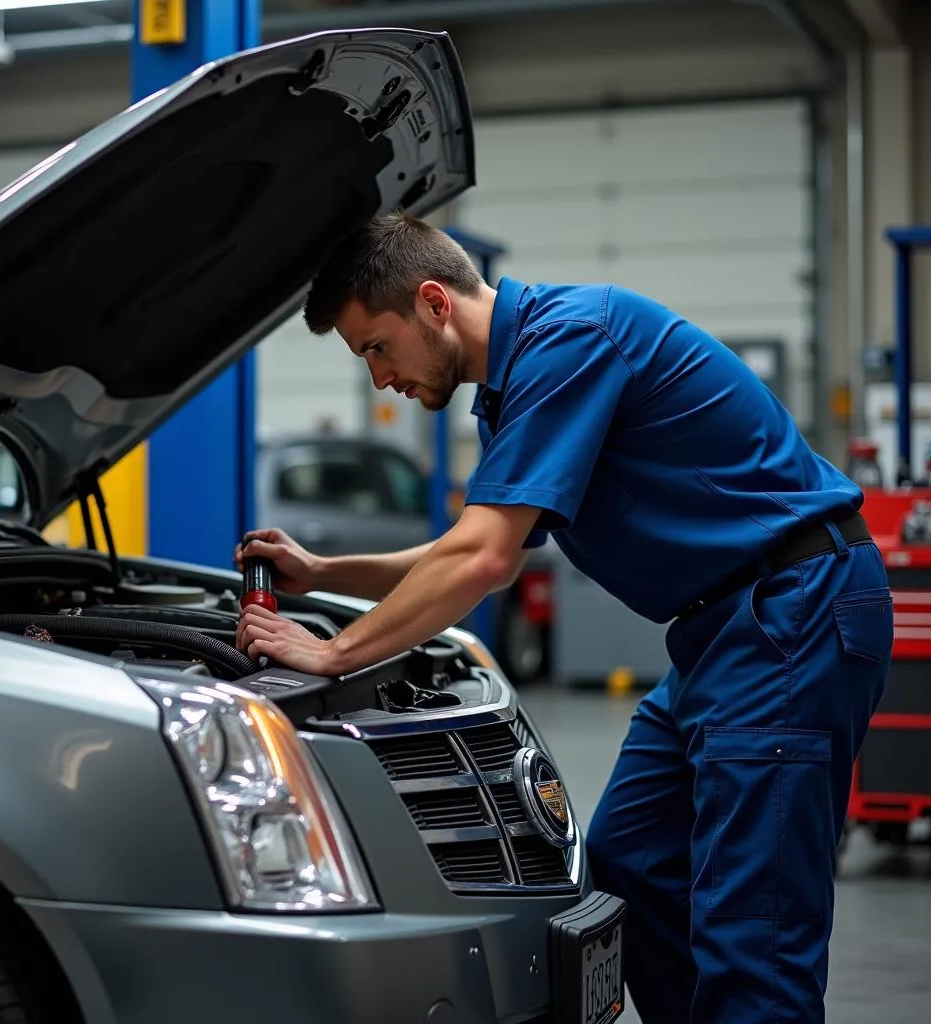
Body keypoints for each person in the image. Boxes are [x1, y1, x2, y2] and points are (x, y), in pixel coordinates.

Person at [234, 211, 892, 1023]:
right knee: (632, 861)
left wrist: (334, 655)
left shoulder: (573, 340)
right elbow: (471, 541)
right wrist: (325, 573)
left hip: (790, 612)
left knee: (754, 929)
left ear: (434, 303)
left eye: (376, 347)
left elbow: (483, 559)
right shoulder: (510, 395)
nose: (380, 379)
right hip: (722, 634)